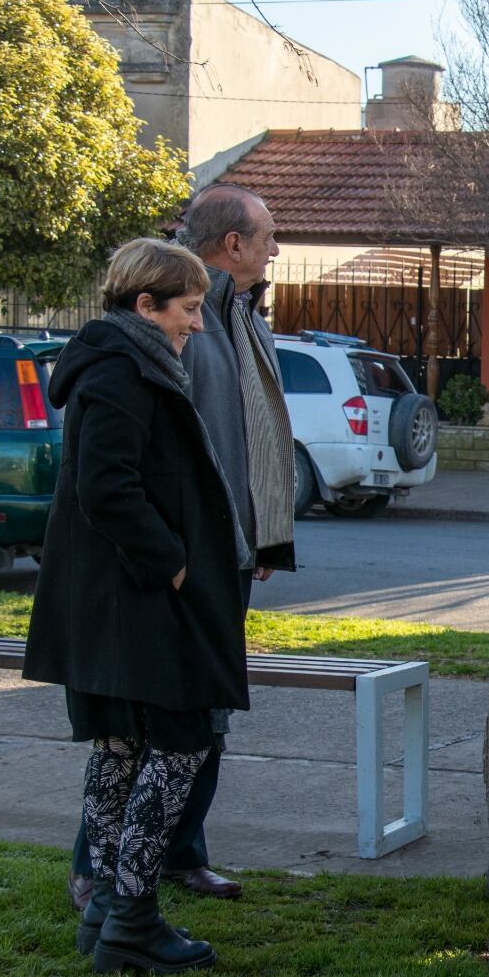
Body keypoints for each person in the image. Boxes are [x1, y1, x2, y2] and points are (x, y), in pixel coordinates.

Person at [66, 183, 297, 906]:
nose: (275, 249)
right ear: (231, 244)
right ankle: (103, 879)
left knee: (203, 717)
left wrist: (258, 535)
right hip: (179, 558)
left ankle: (168, 860)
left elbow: (248, 437)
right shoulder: (175, 326)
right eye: (266, 236)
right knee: (158, 727)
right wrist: (175, 559)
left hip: (220, 547)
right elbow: (135, 471)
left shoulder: (235, 312)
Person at [25, 238, 252, 974]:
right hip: (139, 603)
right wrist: (176, 568)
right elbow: (107, 488)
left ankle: (107, 913)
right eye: (187, 309)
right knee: (178, 742)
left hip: (121, 603)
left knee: (121, 747)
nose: (197, 324)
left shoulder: (124, 362)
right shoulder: (122, 368)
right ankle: (131, 918)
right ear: (144, 305)